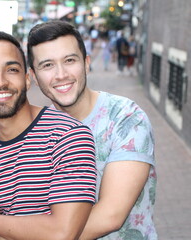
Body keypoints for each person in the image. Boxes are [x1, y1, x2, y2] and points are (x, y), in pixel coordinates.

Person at [0, 31, 97, 240]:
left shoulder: (67, 137)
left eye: (11, 70)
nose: (0, 82)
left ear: (27, 79)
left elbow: (61, 233)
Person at [25, 20, 157, 239]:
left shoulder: (126, 118)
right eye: (47, 65)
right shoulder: (37, 131)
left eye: (69, 60)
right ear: (34, 77)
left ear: (86, 63)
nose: (61, 74)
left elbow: (111, 215)